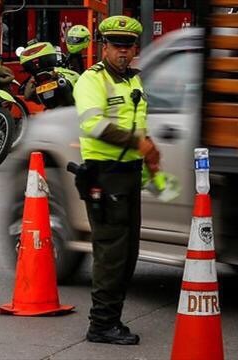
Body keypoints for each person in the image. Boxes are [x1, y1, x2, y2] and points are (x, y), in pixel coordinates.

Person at [73, 15, 161, 345]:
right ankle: (101, 325)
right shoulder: (91, 81)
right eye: (117, 47)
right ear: (104, 48)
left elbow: (135, 122)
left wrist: (149, 150)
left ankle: (112, 319)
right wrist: (139, 144)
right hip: (104, 176)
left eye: (129, 47)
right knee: (111, 254)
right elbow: (92, 125)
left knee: (127, 254)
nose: (123, 53)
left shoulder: (132, 81)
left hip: (126, 177)